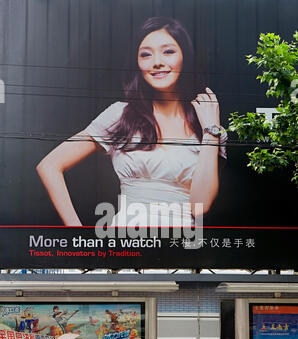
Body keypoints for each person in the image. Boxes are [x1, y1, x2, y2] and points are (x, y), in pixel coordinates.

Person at [36, 16, 227, 228]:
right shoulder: (120, 115)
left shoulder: (210, 128)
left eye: (168, 51)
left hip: (184, 250)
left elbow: (200, 207)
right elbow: (49, 165)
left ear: (185, 57)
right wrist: (78, 234)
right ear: (137, 64)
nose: (157, 62)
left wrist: (211, 131)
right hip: (127, 247)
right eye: (146, 54)